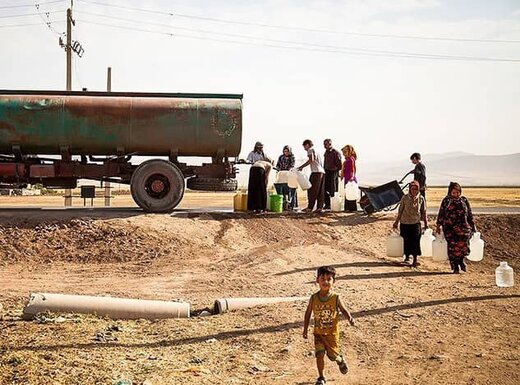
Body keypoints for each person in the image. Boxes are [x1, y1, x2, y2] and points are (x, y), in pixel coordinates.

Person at [303, 266, 355, 385]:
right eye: (323, 279)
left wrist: (350, 318)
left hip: (332, 334)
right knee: (319, 355)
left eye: (329, 279)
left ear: (334, 281)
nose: (325, 282)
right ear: (317, 280)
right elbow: (307, 313)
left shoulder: (336, 297)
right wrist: (305, 329)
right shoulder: (314, 298)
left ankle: (340, 360)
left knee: (332, 356)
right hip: (318, 333)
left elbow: (343, 309)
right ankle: (321, 377)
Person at [436, 182, 476, 273]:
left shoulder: (464, 200)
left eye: (458, 192)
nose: (456, 194)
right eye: (454, 192)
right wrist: (438, 225)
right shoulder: (446, 201)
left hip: (463, 228)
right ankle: (455, 267)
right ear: (450, 192)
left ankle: (461, 261)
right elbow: (441, 213)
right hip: (450, 229)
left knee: (463, 246)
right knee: (452, 248)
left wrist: (473, 225)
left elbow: (469, 213)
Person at [393, 181, 428, 267]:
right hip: (405, 223)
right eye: (412, 189)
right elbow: (400, 211)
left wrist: (426, 223)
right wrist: (396, 222)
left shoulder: (421, 198)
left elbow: (424, 211)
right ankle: (407, 257)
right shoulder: (404, 198)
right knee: (406, 241)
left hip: (415, 223)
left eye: (416, 189)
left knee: (416, 241)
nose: (414, 191)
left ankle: (415, 259)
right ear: (409, 189)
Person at [298, 139, 326, 213]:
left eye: (304, 146)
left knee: (312, 190)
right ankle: (319, 207)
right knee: (320, 191)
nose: (304, 149)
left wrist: (301, 166)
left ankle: (310, 207)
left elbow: (311, 160)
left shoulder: (310, 150)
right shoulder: (317, 150)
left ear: (307, 145)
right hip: (321, 172)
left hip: (316, 172)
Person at [275, 145, 297, 210]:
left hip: (289, 175)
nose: (286, 152)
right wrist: (278, 169)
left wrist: (288, 170)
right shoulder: (281, 157)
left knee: (291, 190)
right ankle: (283, 204)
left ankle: (292, 205)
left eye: (287, 151)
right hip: (281, 175)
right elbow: (278, 165)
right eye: (284, 151)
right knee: (282, 190)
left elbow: (292, 165)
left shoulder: (292, 157)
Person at [323, 139, 342, 210]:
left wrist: (336, 171)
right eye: (324, 144)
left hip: (333, 172)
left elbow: (340, 164)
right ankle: (327, 204)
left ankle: (333, 205)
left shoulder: (335, 152)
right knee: (324, 188)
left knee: (333, 189)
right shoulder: (326, 152)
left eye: (326, 144)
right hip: (326, 171)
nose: (325, 145)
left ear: (330, 144)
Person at [340, 145, 358, 212]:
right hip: (347, 178)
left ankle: (351, 209)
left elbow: (353, 169)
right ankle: (347, 209)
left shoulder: (351, 159)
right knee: (348, 194)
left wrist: (352, 177)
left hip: (350, 179)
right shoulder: (347, 160)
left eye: (345, 152)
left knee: (350, 194)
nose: (344, 154)